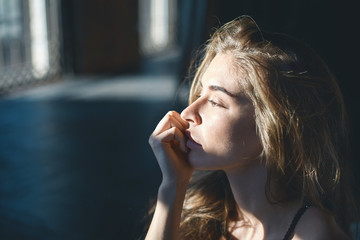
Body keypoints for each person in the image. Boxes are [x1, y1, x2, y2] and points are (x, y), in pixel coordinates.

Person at [145, 16, 357, 240]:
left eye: (216, 101)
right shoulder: (200, 214)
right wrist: (172, 187)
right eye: (199, 94)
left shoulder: (313, 232)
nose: (187, 113)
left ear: (274, 124)